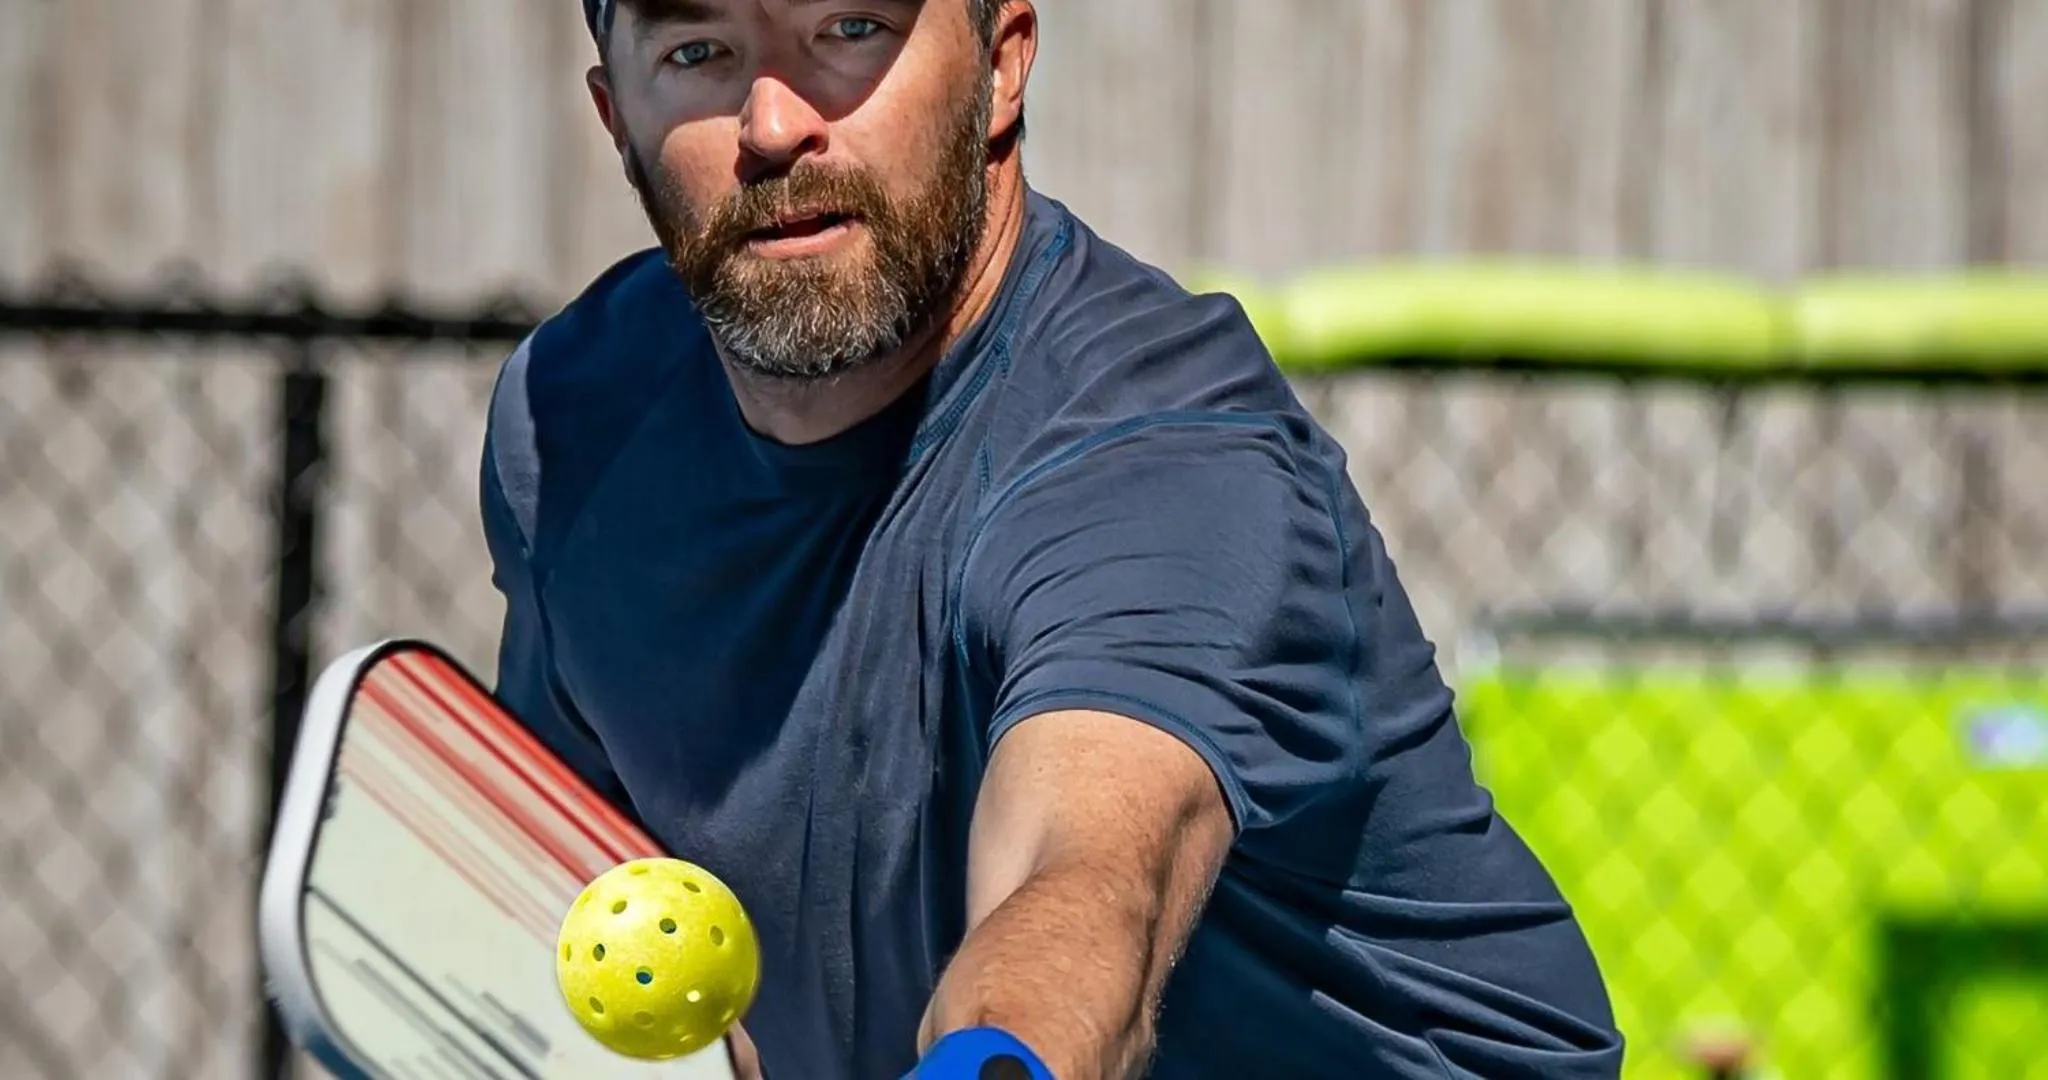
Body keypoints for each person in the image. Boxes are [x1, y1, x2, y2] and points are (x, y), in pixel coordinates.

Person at [479, 1, 1625, 1077]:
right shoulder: (574, 421)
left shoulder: (1161, 455)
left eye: (849, 28)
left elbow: (1083, 881)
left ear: (1002, 60)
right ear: (616, 117)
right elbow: (569, 884)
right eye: (698, 53)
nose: (775, 125)